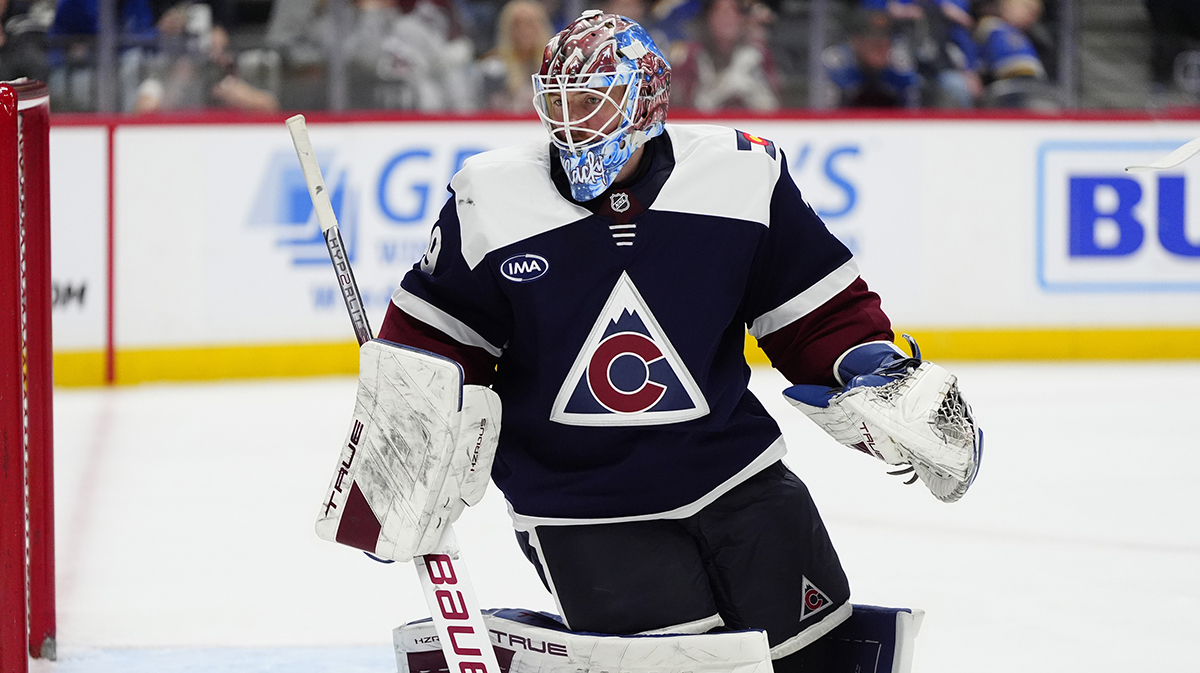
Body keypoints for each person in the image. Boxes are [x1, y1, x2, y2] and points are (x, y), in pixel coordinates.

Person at [373, 10, 980, 671]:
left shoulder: (742, 176)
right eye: (561, 101)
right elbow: (432, 339)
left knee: (821, 653)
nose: (575, 122)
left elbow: (816, 310)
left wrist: (872, 368)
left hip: (737, 477)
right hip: (582, 504)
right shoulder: (488, 198)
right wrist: (404, 442)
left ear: (646, 102)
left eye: (595, 99)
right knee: (677, 665)